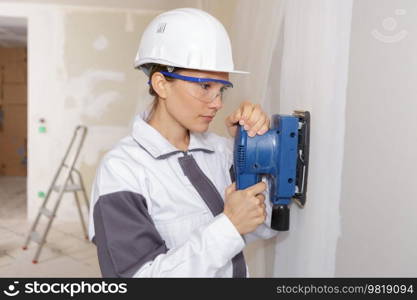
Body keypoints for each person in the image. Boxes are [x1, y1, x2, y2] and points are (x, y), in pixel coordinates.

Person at [88, 7, 278, 278]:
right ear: (161, 84)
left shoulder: (221, 151)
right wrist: (229, 226)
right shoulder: (121, 171)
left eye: (221, 89)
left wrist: (256, 150)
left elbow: (269, 225)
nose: (218, 103)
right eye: (204, 86)